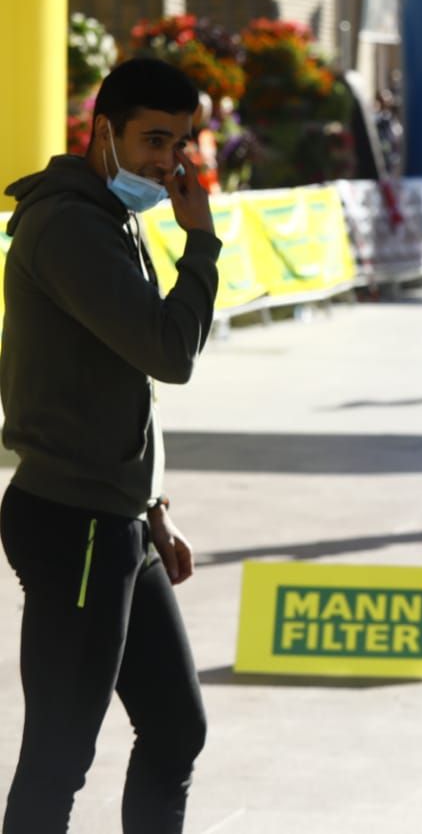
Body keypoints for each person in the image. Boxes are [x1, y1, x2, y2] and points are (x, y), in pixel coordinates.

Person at [1, 57, 217, 833]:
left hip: (118, 518)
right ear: (104, 132)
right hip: (76, 521)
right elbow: (168, 353)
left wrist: (153, 504)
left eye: (181, 142)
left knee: (175, 728)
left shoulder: (105, 214)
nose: (168, 162)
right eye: (153, 140)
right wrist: (202, 246)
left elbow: (117, 379)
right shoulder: (68, 227)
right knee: (57, 761)